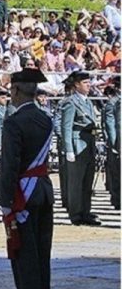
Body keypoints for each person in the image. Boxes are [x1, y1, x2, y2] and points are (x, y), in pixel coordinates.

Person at [0, 68, 54, 289]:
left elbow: (10, 164)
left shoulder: (14, 122)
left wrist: (6, 201)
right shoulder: (45, 119)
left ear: (16, 90)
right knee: (43, 253)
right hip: (43, 189)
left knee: (25, 255)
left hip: (24, 194)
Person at [60, 71, 100, 226]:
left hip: (88, 143)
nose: (88, 86)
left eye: (89, 83)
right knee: (76, 182)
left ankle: (86, 211)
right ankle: (75, 213)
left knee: (87, 181)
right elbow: (66, 127)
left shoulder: (88, 102)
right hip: (77, 145)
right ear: (76, 85)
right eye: (85, 83)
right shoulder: (71, 102)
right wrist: (68, 148)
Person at [103, 77, 120, 210]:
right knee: (115, 172)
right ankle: (116, 199)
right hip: (116, 142)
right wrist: (115, 143)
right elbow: (110, 125)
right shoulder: (113, 103)